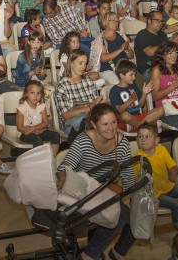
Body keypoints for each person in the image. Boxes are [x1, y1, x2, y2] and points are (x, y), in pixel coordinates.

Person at [56, 104, 134, 260]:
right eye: (105, 124)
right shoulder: (83, 141)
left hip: (105, 192)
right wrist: (63, 178)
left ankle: (115, 251)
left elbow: (128, 176)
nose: (111, 128)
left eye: (113, 122)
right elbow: (64, 168)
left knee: (138, 211)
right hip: (83, 192)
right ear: (93, 124)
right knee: (121, 214)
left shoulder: (122, 143)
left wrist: (128, 199)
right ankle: (90, 255)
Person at [55, 49, 104, 137]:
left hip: (91, 120)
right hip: (71, 124)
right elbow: (66, 115)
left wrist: (100, 104)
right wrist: (89, 107)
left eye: (85, 63)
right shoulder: (63, 85)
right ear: (71, 63)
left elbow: (95, 107)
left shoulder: (89, 81)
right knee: (86, 123)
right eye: (80, 63)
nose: (83, 67)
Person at [109, 61, 164, 130]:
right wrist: (131, 99)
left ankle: (139, 126)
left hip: (139, 117)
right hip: (126, 121)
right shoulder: (114, 90)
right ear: (122, 75)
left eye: (135, 74)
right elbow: (119, 110)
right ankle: (144, 126)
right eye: (131, 75)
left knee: (161, 109)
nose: (134, 77)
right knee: (125, 115)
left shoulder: (134, 86)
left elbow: (140, 105)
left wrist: (144, 94)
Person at [88, 11, 133, 85]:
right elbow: (103, 58)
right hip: (109, 70)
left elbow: (131, 56)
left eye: (116, 21)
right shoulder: (100, 40)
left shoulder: (120, 35)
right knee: (120, 84)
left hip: (124, 67)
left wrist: (127, 50)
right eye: (112, 20)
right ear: (105, 22)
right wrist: (120, 49)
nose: (115, 22)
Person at [17, 79, 60, 154]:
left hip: (40, 131)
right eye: (32, 93)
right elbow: (20, 127)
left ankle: (51, 159)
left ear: (41, 95)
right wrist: (32, 130)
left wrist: (34, 128)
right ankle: (38, 160)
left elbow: (45, 123)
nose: (35, 96)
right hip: (25, 134)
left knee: (56, 135)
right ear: (26, 93)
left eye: (38, 93)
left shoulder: (42, 106)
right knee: (37, 140)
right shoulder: (21, 108)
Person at [133, 11, 169, 79]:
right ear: (149, 21)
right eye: (157, 21)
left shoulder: (163, 35)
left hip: (163, 66)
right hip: (148, 70)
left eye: (161, 21)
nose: (160, 23)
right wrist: (167, 43)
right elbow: (150, 52)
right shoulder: (142, 35)